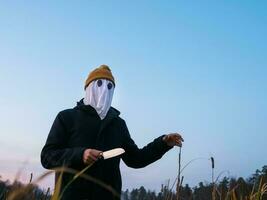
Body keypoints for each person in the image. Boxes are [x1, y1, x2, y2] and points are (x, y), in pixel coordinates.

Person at [41, 65, 184, 200]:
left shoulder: (118, 124)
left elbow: (136, 159)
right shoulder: (67, 117)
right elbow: (47, 157)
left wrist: (163, 143)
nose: (104, 90)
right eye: (99, 84)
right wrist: (81, 154)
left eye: (110, 86)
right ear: (89, 87)